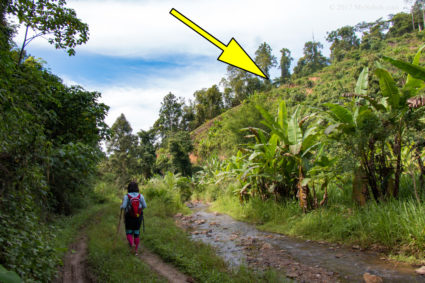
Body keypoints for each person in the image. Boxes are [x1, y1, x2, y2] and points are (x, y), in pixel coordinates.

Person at [120, 181, 147, 255]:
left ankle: (132, 244)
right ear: (137, 188)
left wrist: (121, 206)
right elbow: (145, 206)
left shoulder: (127, 196)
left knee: (129, 232)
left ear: (128, 188)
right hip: (138, 217)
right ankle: (136, 251)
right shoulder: (140, 196)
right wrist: (138, 211)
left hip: (129, 217)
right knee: (136, 233)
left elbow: (124, 206)